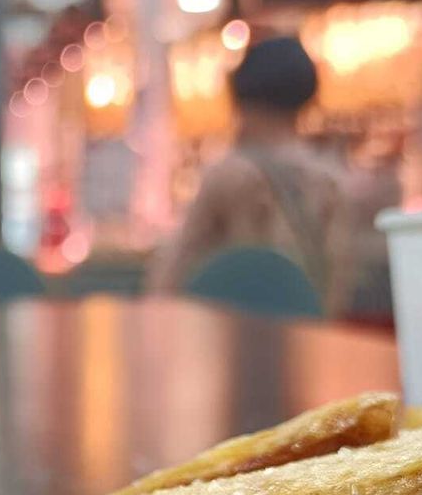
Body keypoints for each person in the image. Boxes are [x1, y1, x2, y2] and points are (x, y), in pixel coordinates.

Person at [148, 37, 351, 313]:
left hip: (234, 337)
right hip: (306, 337)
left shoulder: (229, 175)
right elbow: (336, 283)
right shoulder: (331, 182)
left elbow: (172, 273)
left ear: (241, 101)